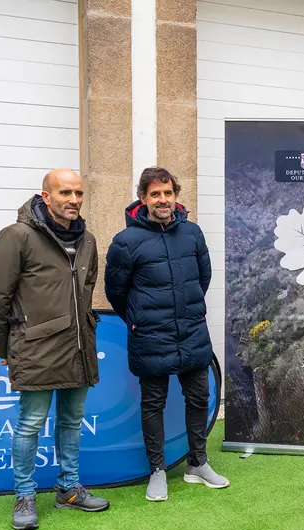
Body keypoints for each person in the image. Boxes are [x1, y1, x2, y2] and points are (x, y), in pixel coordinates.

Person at [0, 169, 110, 530]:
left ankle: (68, 489)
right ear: (46, 195)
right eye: (65, 192)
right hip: (36, 350)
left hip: (79, 348)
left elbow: (85, 289)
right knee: (30, 424)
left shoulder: (89, 240)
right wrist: (4, 345)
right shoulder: (17, 236)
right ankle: (24, 495)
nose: (73, 199)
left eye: (79, 193)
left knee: (71, 421)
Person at [104, 166, 228, 502]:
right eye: (155, 194)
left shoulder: (193, 233)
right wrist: (138, 321)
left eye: (168, 193)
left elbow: (202, 279)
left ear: (176, 195)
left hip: (191, 332)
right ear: (143, 198)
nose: (163, 199)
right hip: (150, 336)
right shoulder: (125, 242)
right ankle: (157, 470)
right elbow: (115, 292)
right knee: (153, 403)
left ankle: (197, 463)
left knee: (199, 398)